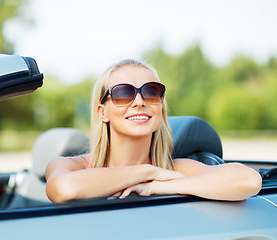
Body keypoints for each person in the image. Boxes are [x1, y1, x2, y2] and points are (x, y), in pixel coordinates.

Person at [45, 59, 262, 203]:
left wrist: (158, 186)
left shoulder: (173, 168)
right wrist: (147, 172)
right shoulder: (73, 166)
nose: (139, 101)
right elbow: (63, 189)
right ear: (103, 112)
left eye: (151, 92)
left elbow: (249, 181)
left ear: (160, 106)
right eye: (123, 93)